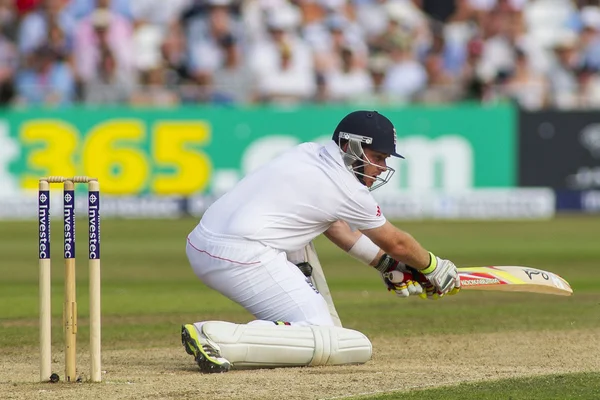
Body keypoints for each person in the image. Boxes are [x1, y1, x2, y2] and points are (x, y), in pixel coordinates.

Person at [182, 110, 461, 373]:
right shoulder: (346, 187)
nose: (381, 167)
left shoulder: (307, 152)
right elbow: (396, 242)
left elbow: (334, 225)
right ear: (351, 146)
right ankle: (216, 335)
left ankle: (267, 331)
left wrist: (387, 265)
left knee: (323, 332)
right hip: (242, 254)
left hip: (204, 242)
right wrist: (433, 267)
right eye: (378, 157)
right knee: (327, 337)